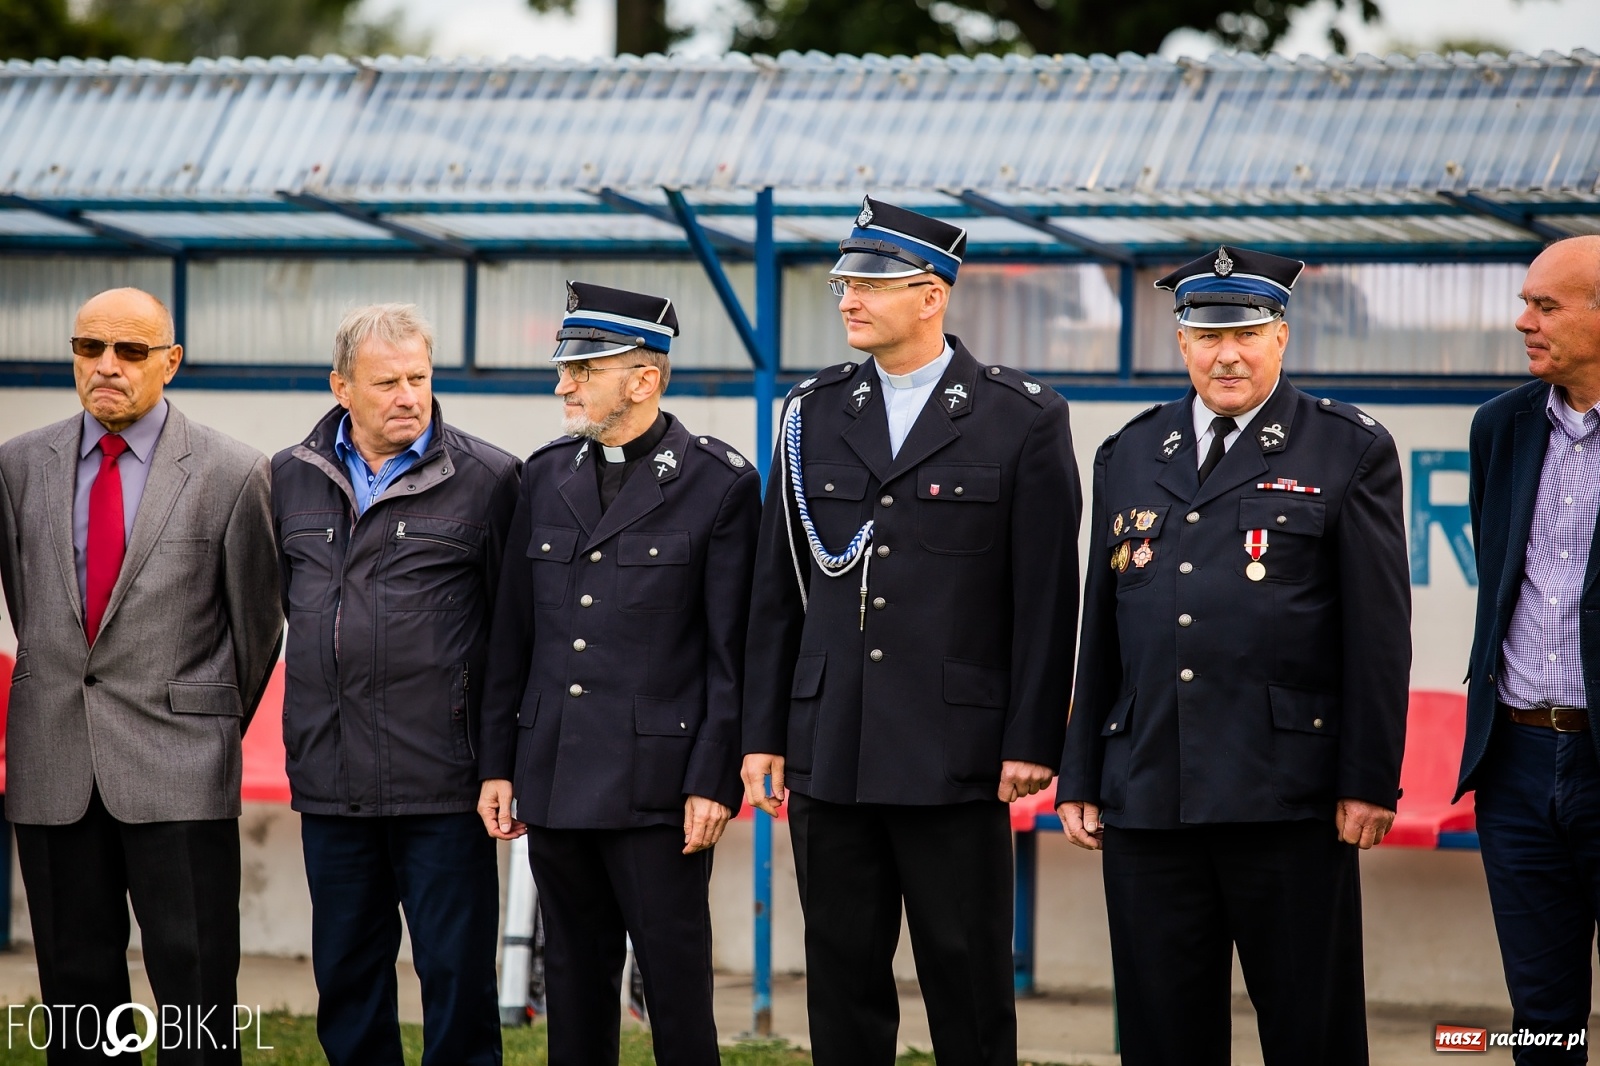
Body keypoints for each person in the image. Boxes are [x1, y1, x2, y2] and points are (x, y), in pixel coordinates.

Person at [740, 198, 1082, 1066]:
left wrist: (1031, 739)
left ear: (931, 295)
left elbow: (1047, 597)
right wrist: (764, 735)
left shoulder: (1021, 418)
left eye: (868, 283)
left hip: (955, 756)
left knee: (966, 988)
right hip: (832, 750)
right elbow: (778, 592)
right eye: (842, 282)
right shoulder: (810, 413)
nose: (847, 298)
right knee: (843, 986)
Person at [1056, 245, 1411, 1066]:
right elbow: (1102, 626)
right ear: (1180, 341)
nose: (1228, 354)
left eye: (1248, 333)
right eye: (1208, 335)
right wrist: (1081, 774)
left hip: (1285, 796)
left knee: (1310, 1030)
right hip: (1149, 791)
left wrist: (1366, 779)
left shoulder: (1345, 449)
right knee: (1160, 1033)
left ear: (1281, 337)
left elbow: (1379, 634)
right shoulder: (1131, 453)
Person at [478, 281, 760, 1066]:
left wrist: (712, 780)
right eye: (564, 366)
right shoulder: (541, 478)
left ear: (645, 378)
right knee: (571, 980)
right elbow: (514, 638)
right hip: (557, 776)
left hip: (658, 789)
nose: (562, 383)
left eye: (584, 368)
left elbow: (729, 657)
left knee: (674, 989)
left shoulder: (719, 484)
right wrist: (500, 764)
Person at [0, 287, 281, 1064]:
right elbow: (35, 613)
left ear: (171, 361)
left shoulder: (231, 472)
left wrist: (201, 722)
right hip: (54, 763)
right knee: (75, 992)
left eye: (128, 351)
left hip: (181, 767)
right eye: (89, 349)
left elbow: (256, 629)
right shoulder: (19, 466)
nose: (107, 367)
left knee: (194, 990)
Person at [270, 304, 519, 1066]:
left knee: (456, 977)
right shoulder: (288, 478)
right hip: (331, 779)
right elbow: (286, 609)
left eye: (419, 377)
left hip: (444, 785)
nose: (409, 395)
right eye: (387, 382)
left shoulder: (490, 480)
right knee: (347, 976)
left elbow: (514, 636)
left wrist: (500, 763)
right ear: (342, 387)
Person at [1460, 234, 1600, 1063]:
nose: (1524, 322)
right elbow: (1502, 578)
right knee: (1542, 1016)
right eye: (1525, 302)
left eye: (1545, 305)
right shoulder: (1501, 426)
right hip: (1513, 761)